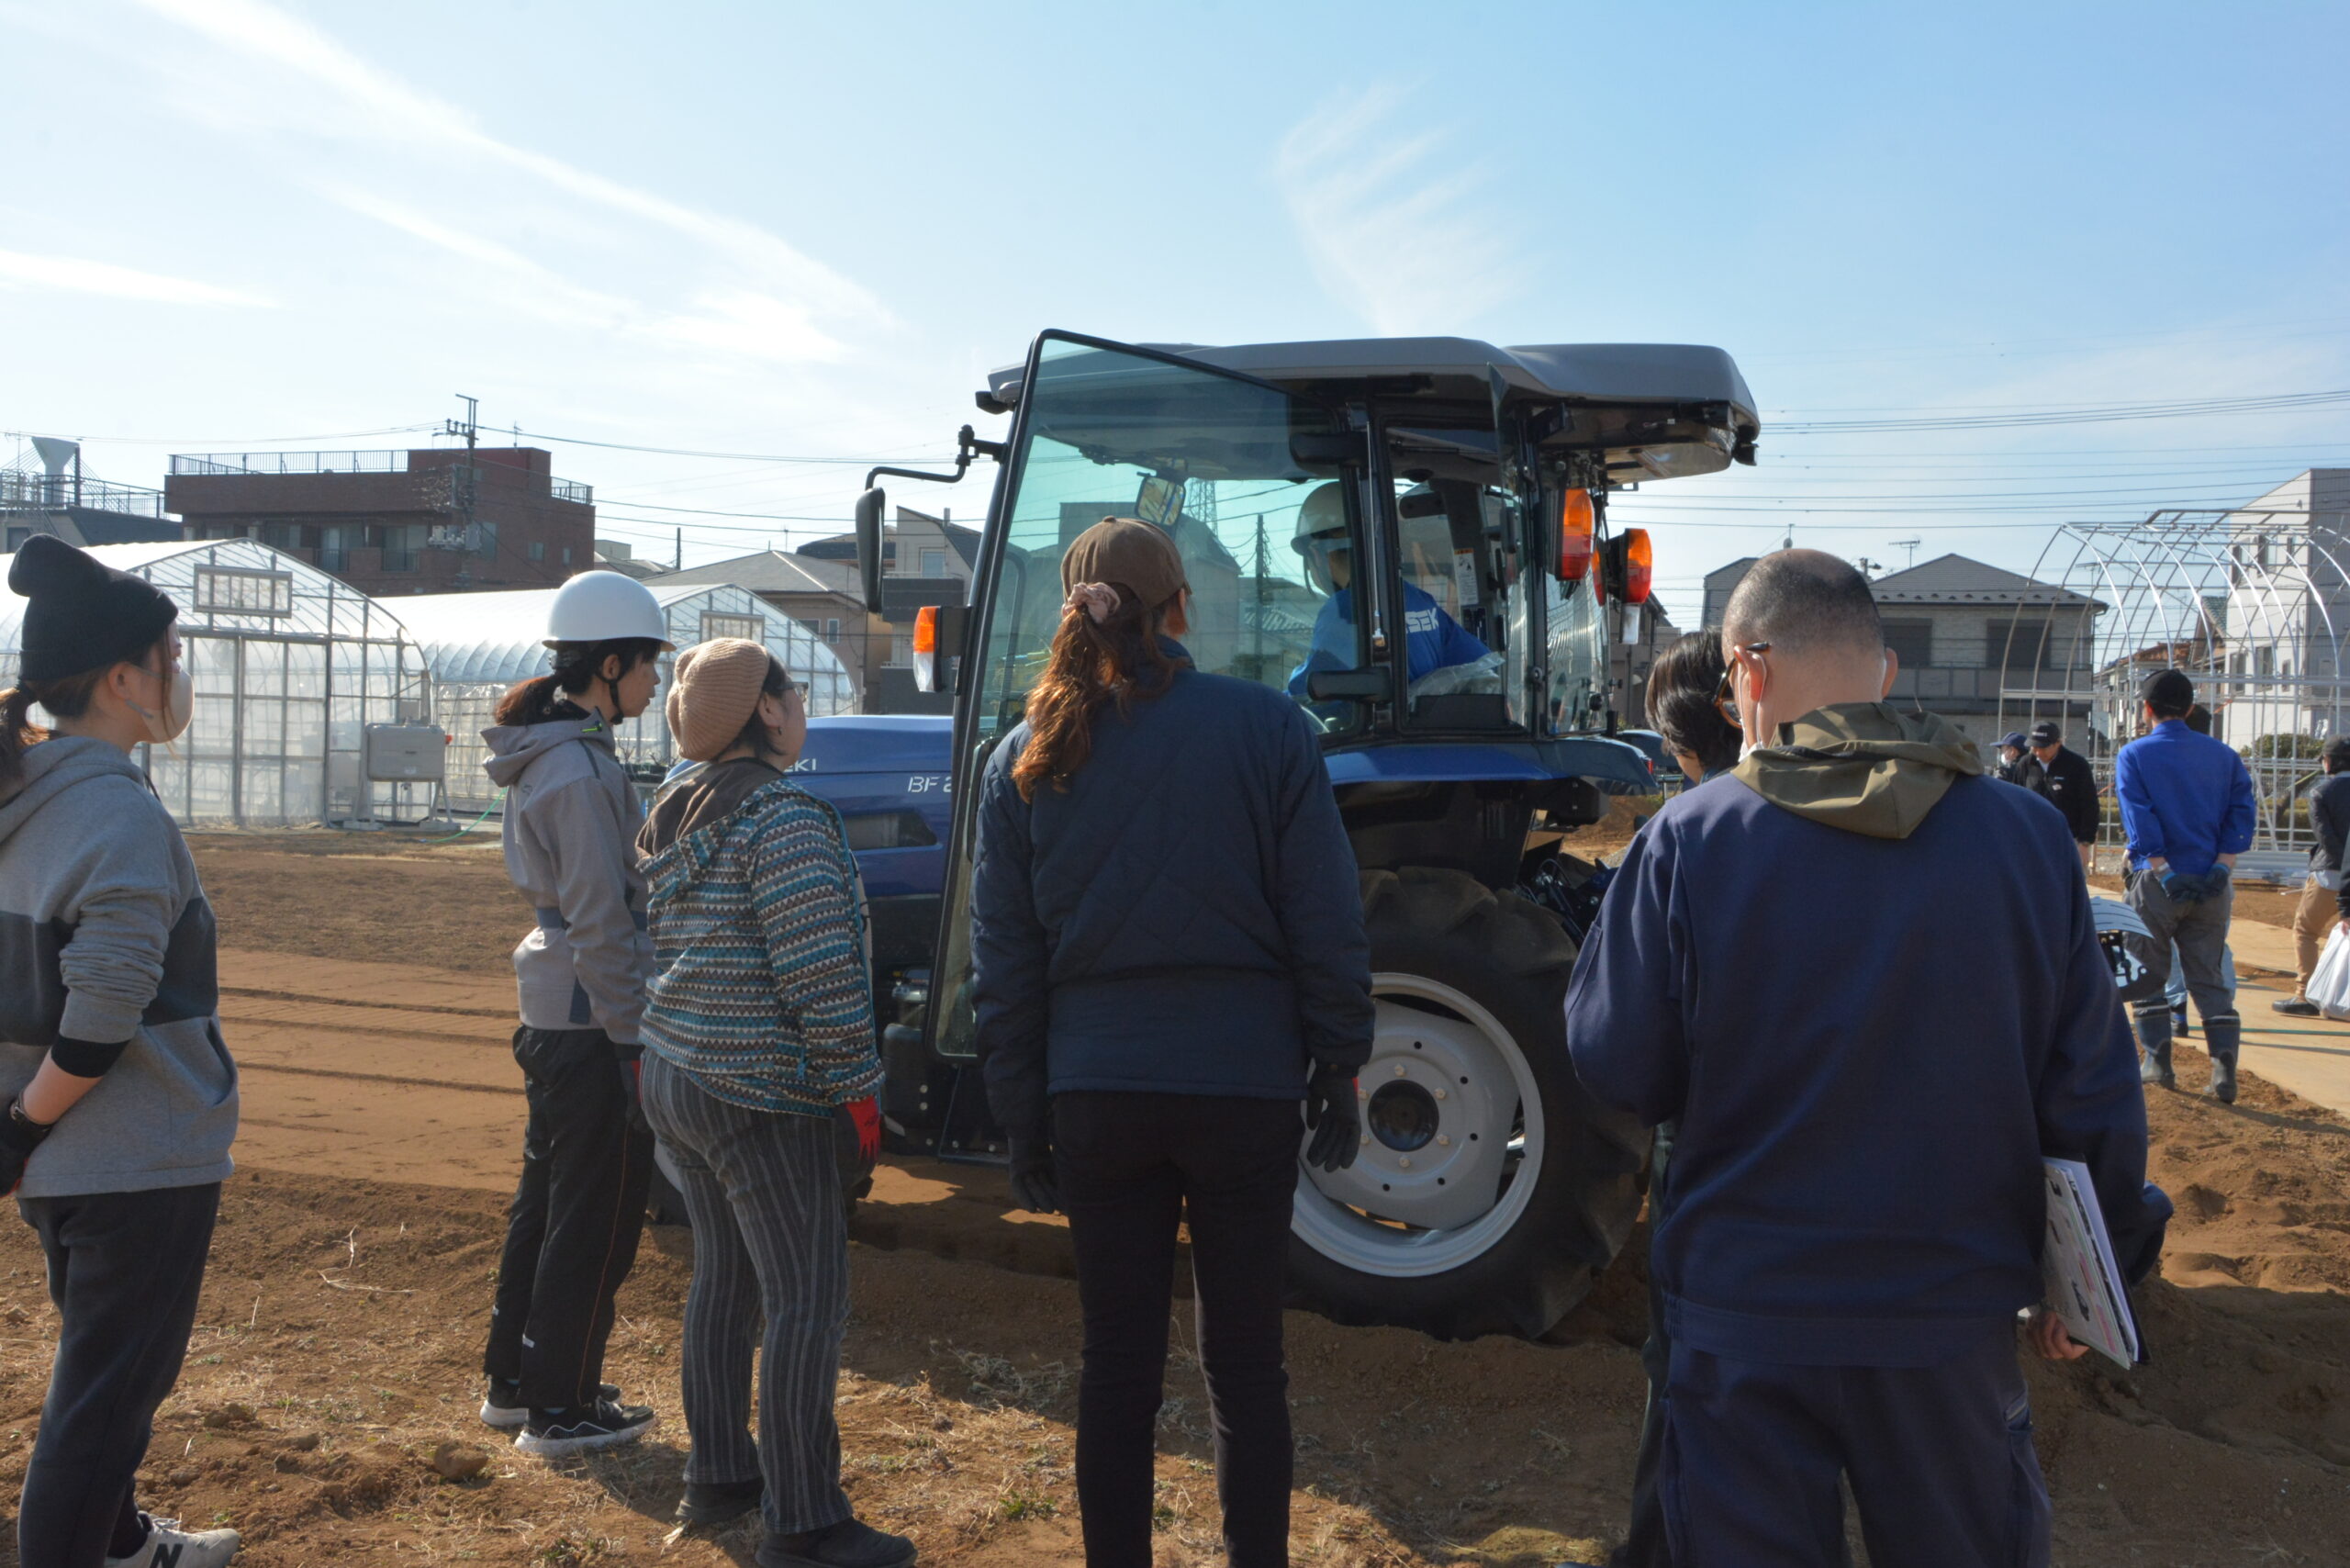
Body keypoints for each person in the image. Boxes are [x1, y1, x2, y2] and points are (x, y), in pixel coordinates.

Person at [1564, 550, 2168, 1568]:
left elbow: (1617, 1064)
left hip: (1744, 1313)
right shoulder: (2024, 842)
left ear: (1748, 673)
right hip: (1949, 1318)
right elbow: (2094, 1089)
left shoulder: (1689, 840)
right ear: (1884, 674)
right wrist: (2101, 1265)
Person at [972, 518, 1372, 1568]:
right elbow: (1324, 916)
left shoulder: (1019, 756)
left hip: (1096, 1091)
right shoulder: (1269, 728)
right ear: (1179, 606)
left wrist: (1022, 1111)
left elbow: (1003, 962)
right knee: (1246, 1366)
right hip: (1242, 1089)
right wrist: (1339, 1061)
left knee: (1115, 1368)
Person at [634, 639, 908, 1568]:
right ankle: (805, 1521)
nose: (799, 708)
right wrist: (858, 1093)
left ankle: (720, 1476)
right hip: (759, 1089)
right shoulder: (785, 817)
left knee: (728, 1276)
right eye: (790, 694)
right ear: (766, 712)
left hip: (678, 1071)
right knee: (806, 1300)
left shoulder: (676, 809)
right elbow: (822, 975)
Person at [0, 537, 242, 1568]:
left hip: (61, 1164)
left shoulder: (25, 795)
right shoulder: (119, 813)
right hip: (131, 1157)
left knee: (102, 1376)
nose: (178, 678)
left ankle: (120, 1541)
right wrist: (20, 1128)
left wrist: (21, 1130)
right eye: (171, 658)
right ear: (123, 679)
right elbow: (103, 1008)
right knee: (103, 1406)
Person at [478, 571, 670, 1456]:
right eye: (650, 668)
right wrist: (633, 1041)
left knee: (547, 1200)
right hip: (591, 1020)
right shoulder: (579, 769)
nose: (658, 685)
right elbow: (602, 918)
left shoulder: (551, 754)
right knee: (597, 1213)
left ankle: (519, 1383)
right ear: (612, 664)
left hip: (552, 1009)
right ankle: (563, 1405)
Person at [1607, 632, 1744, 1568]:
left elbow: (1614, 1047)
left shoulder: (1681, 838)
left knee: (1686, 1378)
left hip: (1711, 1165)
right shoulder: (1961, 829)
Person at [2113, 668, 2255, 1100]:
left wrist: (2161, 869)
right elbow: (2240, 812)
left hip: (2157, 881)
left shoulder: (2134, 755)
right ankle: (2223, 1070)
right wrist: (2222, 866)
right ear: (2191, 709)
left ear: (2147, 709)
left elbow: (2139, 817)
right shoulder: (2224, 756)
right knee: (2208, 973)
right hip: (2212, 880)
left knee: (2149, 971)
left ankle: (2158, 1063)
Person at [1286, 481, 1490, 698]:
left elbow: (1305, 694)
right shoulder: (1420, 600)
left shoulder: (1342, 611)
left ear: (1316, 554)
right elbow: (1481, 665)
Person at [2275, 737, 2350, 1016]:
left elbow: (2327, 838)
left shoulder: (2321, 792)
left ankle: (2305, 994)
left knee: (2305, 931)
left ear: (2329, 762)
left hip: (2329, 875)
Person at [2016, 720, 2100, 869]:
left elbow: (2089, 805)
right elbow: (2015, 801)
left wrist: (2084, 843)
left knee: (2068, 887)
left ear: (2058, 743)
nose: (2038, 752)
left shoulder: (2076, 765)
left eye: (2043, 747)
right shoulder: (2025, 764)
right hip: (2031, 839)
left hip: (2067, 840)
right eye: (2034, 747)